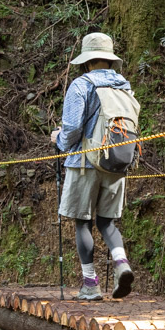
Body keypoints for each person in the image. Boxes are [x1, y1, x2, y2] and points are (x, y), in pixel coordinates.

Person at [50, 32, 136, 301]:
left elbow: (73, 128)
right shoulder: (124, 86)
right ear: (109, 60)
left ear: (87, 61)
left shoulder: (81, 85)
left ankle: (90, 284)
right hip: (117, 161)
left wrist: (58, 139)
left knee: (83, 222)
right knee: (107, 222)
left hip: (84, 163)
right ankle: (121, 263)